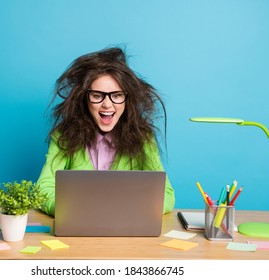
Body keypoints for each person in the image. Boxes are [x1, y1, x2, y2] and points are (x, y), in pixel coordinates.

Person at [36, 47, 175, 217]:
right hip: (79, 229)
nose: (107, 105)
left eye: (116, 95)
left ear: (127, 98)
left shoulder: (143, 138)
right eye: (97, 95)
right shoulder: (63, 137)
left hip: (126, 231)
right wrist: (70, 211)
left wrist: (130, 211)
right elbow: (44, 187)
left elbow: (166, 194)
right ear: (84, 98)